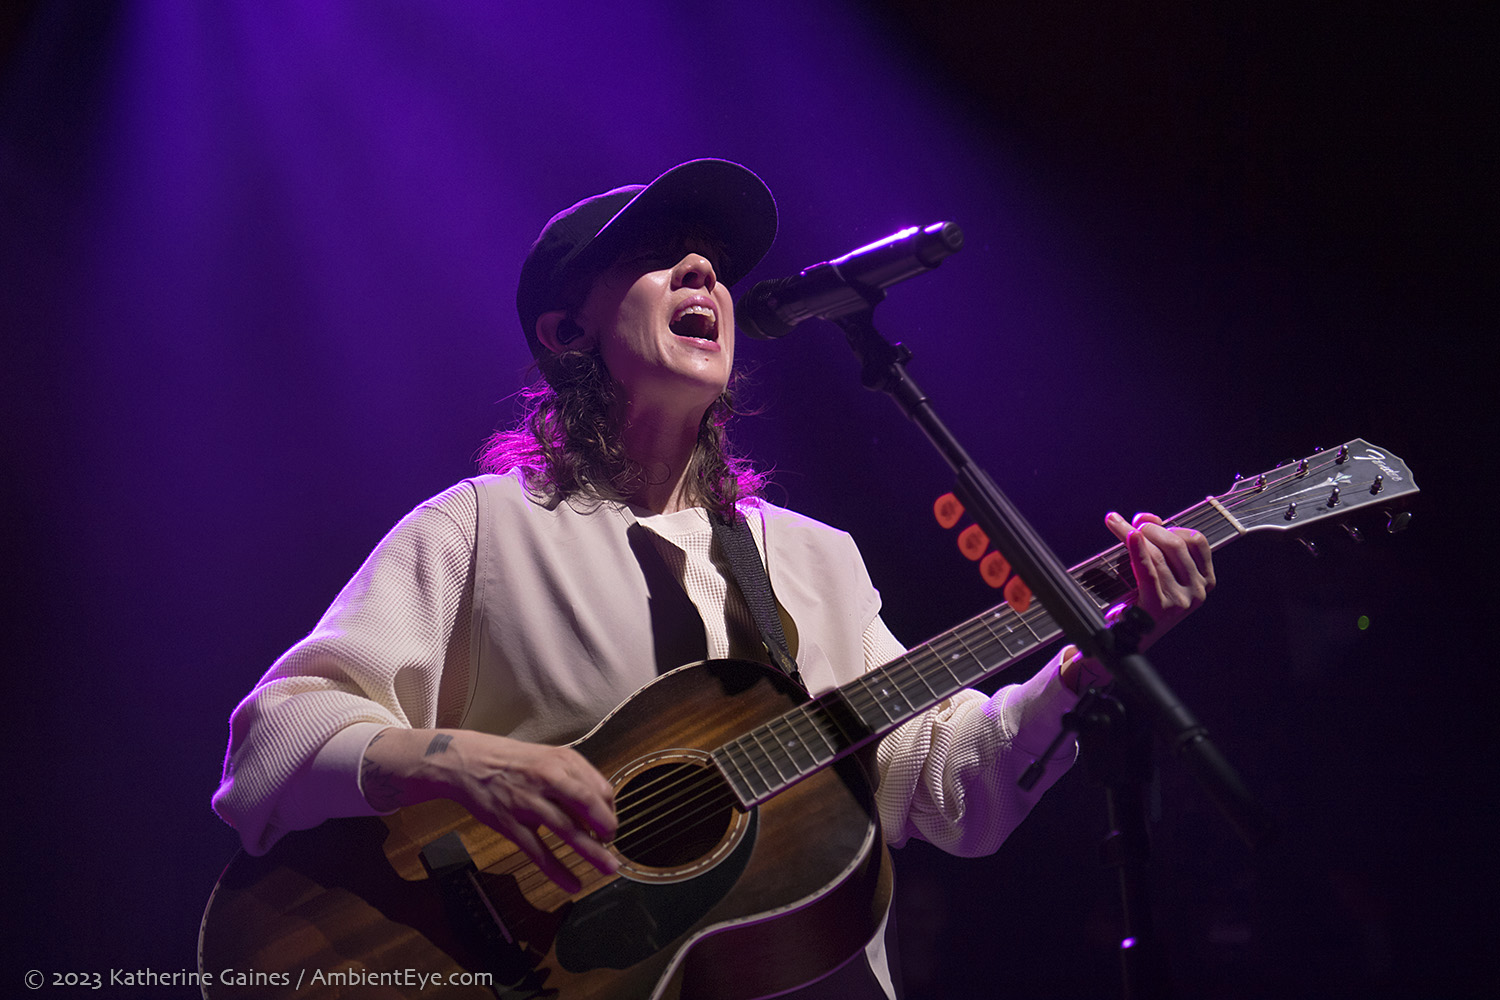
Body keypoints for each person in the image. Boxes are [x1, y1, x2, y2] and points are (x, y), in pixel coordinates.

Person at [212, 158, 1215, 999]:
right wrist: (455, 761)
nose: (705, 268)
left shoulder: (816, 560)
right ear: (568, 334)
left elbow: (948, 789)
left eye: (717, 263)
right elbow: (271, 743)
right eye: (659, 257)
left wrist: (1085, 665)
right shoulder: (484, 526)